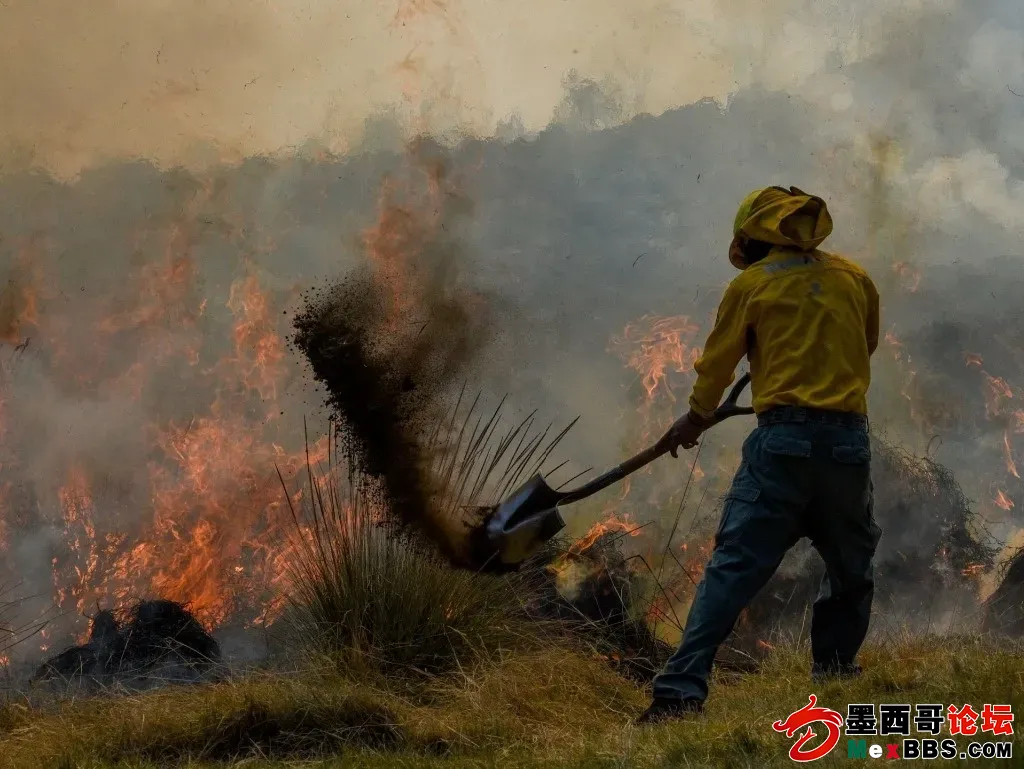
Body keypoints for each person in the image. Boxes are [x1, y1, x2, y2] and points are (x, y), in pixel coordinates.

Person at [637, 186, 882, 724]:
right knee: (851, 566)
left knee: (733, 569)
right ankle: (836, 672)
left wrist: (697, 418)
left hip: (783, 445)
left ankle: (679, 693)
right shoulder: (855, 278)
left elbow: (718, 364)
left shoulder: (751, 285)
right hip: (847, 445)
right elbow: (865, 344)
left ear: (753, 237)